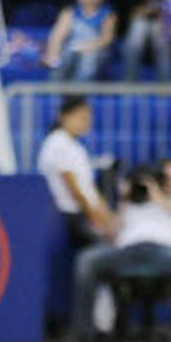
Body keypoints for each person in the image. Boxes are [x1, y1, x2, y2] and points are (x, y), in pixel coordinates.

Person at [67, 157, 171, 342]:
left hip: (167, 253)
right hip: (127, 251)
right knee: (87, 259)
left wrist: (160, 199)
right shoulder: (137, 202)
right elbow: (110, 234)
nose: (170, 181)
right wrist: (125, 201)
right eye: (166, 177)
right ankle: (84, 334)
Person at [38, 95, 114, 249]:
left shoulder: (76, 147)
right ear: (64, 116)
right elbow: (74, 188)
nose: (85, 124)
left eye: (88, 119)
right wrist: (94, 217)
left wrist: (108, 219)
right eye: (81, 118)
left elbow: (88, 187)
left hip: (82, 213)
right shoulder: (57, 143)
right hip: (68, 215)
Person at [43, 0, 116, 82]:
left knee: (88, 60)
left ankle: (79, 90)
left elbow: (107, 38)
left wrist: (87, 47)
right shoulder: (69, 12)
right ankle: (55, 87)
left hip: (96, 49)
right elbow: (57, 35)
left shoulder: (108, 14)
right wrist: (53, 52)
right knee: (62, 56)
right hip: (72, 47)